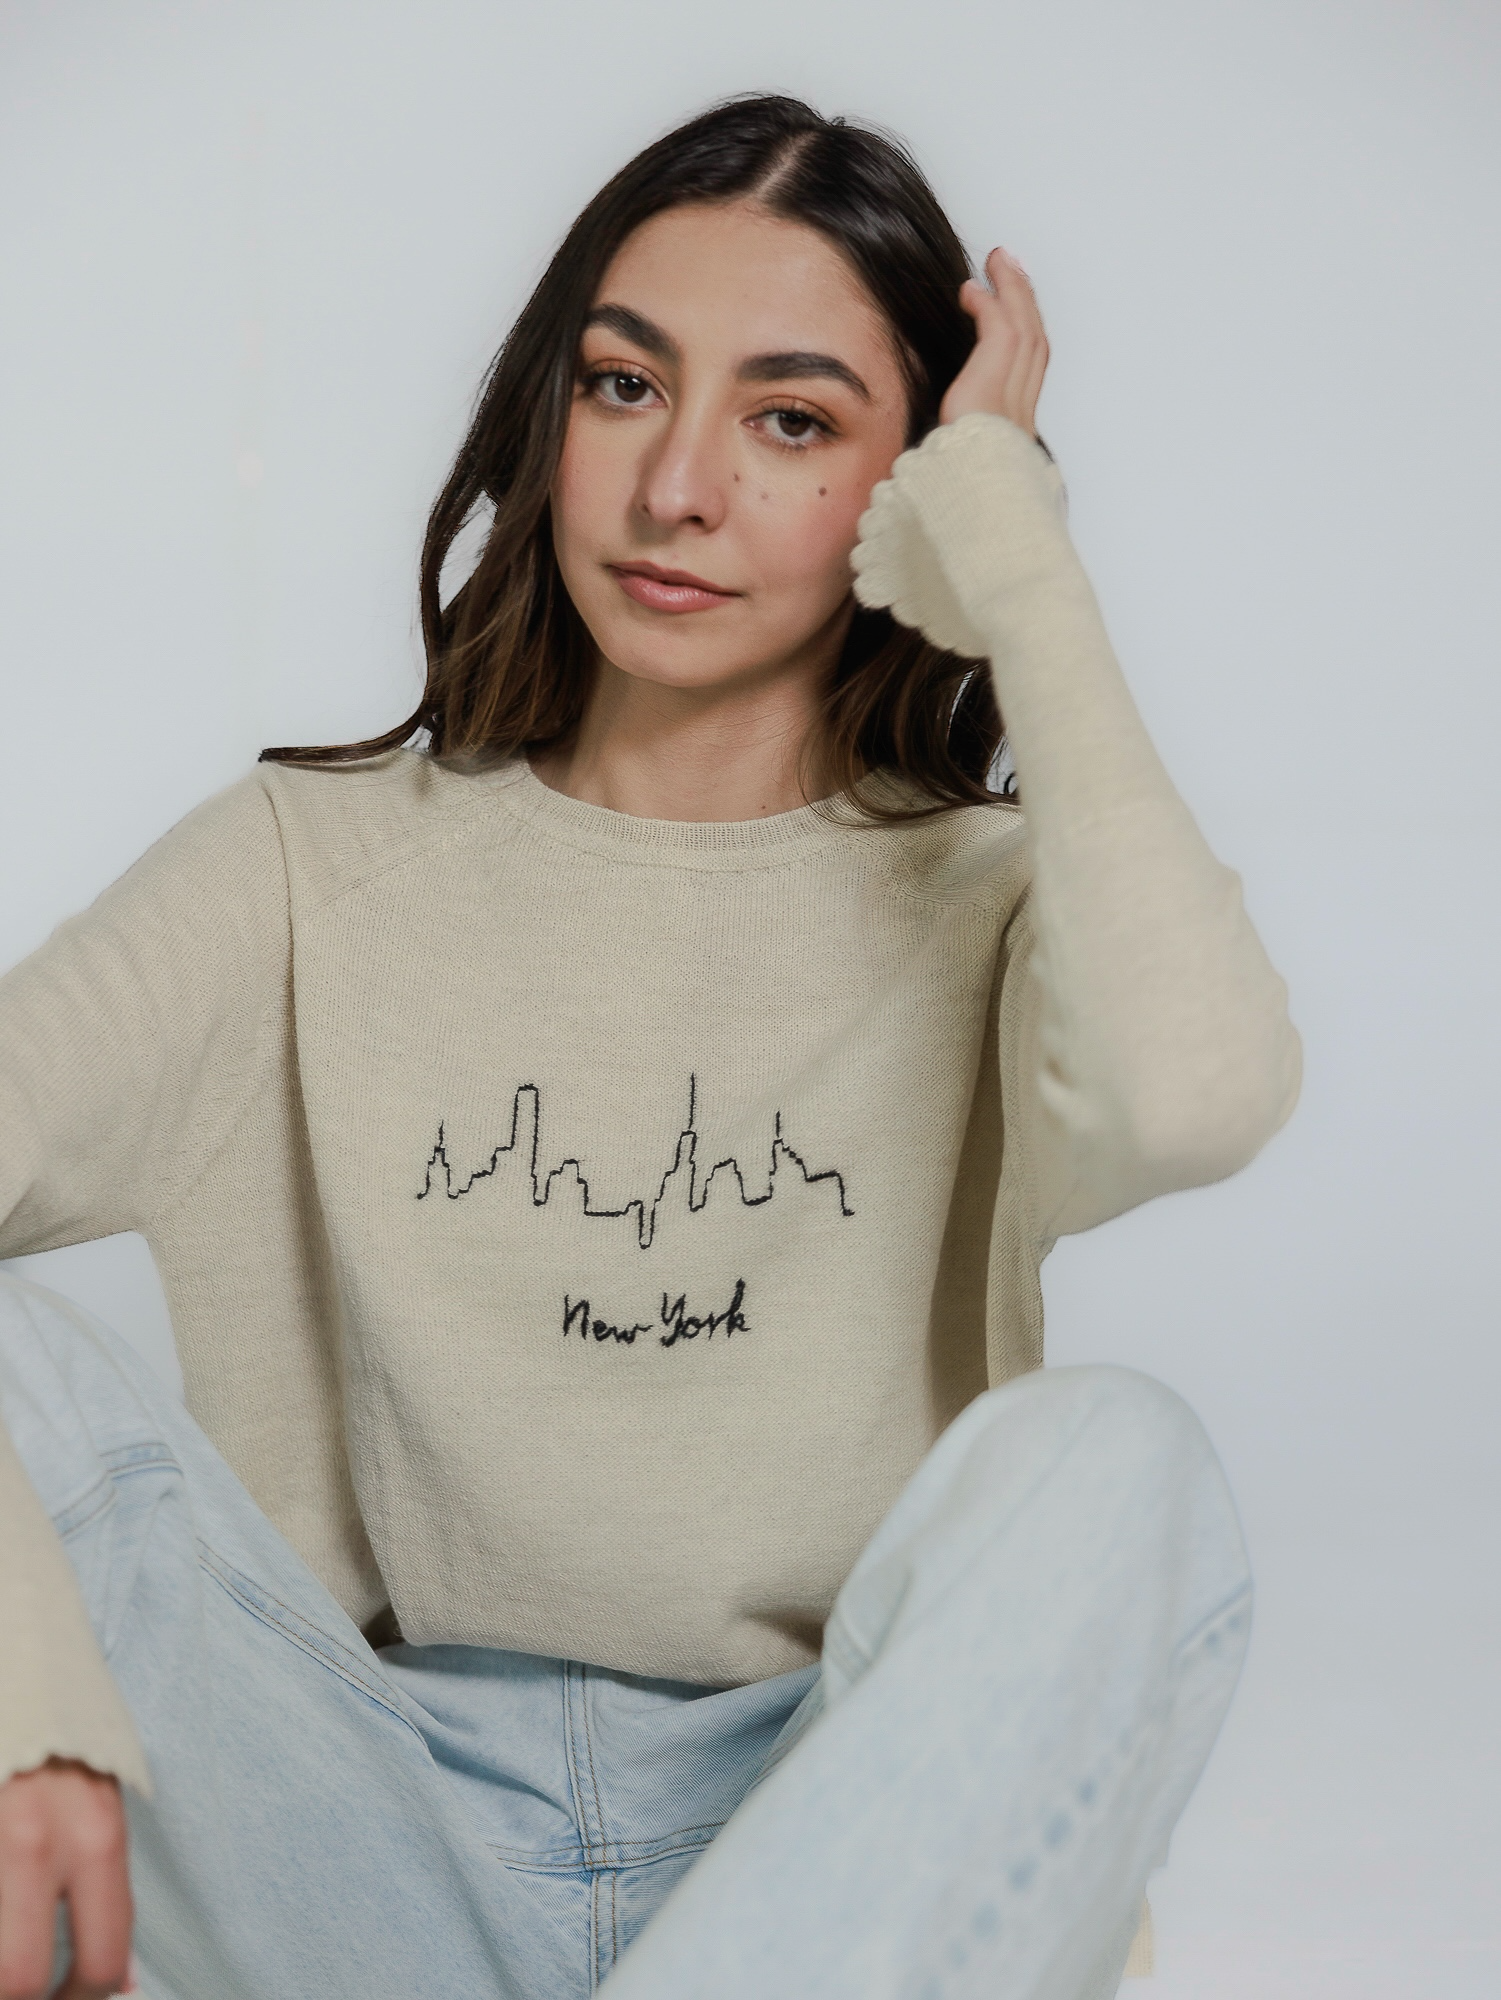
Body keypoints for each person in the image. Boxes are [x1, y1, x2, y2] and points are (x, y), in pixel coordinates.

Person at [0, 93, 1300, 2000]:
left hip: (834, 1833)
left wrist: (1017, 561)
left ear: (911, 481)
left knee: (1122, 1463)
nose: (677, 486)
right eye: (624, 386)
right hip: (359, 1835)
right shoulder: (310, 869)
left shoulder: (1005, 902)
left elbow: (1204, 1097)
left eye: (793, 422)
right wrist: (28, 1685)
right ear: (552, 411)